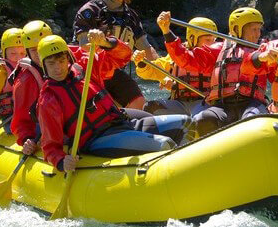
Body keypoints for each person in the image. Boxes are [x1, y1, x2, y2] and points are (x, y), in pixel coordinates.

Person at [36, 35, 189, 172]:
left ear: (68, 58)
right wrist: (61, 162)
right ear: (44, 65)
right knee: (164, 144)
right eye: (51, 63)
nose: (58, 68)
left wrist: (105, 42)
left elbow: (123, 56)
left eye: (62, 61)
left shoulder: (86, 69)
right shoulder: (48, 99)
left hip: (122, 124)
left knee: (185, 123)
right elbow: (50, 146)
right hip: (96, 139)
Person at [157, 7, 269, 137]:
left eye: (259, 29)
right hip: (223, 105)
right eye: (253, 29)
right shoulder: (219, 50)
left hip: (252, 104)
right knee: (203, 120)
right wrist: (166, 32)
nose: (258, 34)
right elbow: (185, 59)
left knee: (251, 121)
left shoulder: (265, 50)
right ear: (238, 30)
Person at [72, 0, 159, 110]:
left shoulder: (130, 16)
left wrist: (164, 71)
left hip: (113, 71)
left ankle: (131, 128)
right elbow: (83, 46)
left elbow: (146, 48)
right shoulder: (90, 11)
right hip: (88, 71)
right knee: (105, 106)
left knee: (138, 102)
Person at [133, 17, 218, 116]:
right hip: (179, 103)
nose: (212, 43)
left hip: (204, 103)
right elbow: (152, 71)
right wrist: (141, 62)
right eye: (208, 39)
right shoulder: (177, 55)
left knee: (204, 116)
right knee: (150, 107)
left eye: (214, 39)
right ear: (192, 38)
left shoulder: (215, 55)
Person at [9, 20, 52, 155]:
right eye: (34, 50)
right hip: (43, 128)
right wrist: (27, 139)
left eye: (43, 47)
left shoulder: (63, 61)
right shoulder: (26, 79)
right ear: (27, 52)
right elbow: (21, 118)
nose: (40, 53)